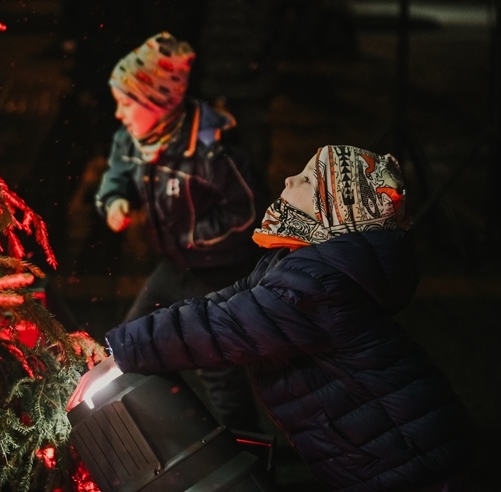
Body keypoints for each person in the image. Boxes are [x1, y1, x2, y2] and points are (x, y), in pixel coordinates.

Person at [72, 145, 474, 491]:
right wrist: (124, 347)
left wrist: (123, 353)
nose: (287, 179)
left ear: (331, 209)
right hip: (391, 448)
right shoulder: (299, 264)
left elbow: (222, 327)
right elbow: (226, 303)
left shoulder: (318, 285)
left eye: (304, 180)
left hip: (407, 458)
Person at [93, 32, 270, 432]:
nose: (119, 114)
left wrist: (192, 236)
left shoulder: (211, 150)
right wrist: (115, 201)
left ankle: (248, 455)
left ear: (159, 101)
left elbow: (248, 211)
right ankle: (174, 431)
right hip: (173, 266)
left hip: (217, 274)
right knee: (128, 344)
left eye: (126, 103)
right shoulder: (131, 138)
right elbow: (116, 178)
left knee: (216, 368)